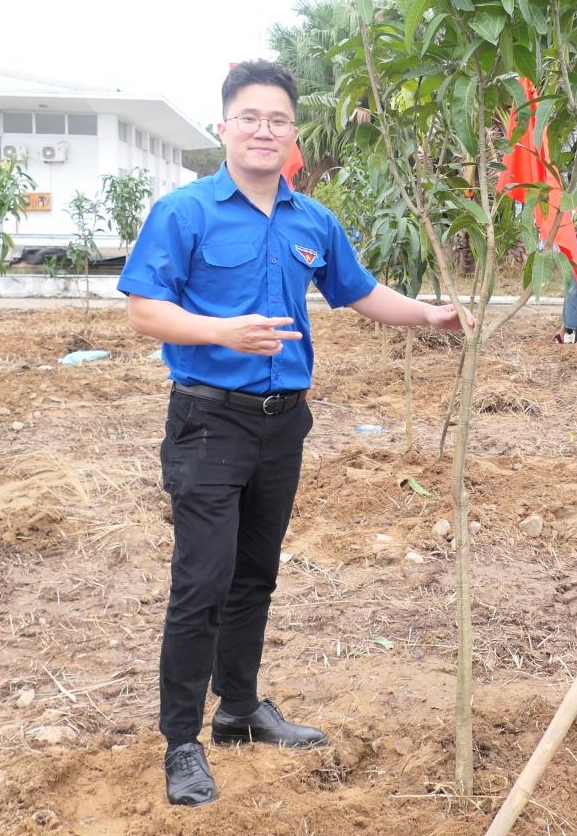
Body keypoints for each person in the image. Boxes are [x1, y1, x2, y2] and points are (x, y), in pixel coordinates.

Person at [118, 60, 466, 808]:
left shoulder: (313, 219)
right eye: (250, 117)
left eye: (278, 119)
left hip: (284, 425)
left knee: (255, 575)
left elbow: (360, 291)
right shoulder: (185, 213)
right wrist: (221, 331)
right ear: (224, 127)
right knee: (200, 583)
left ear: (293, 133)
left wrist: (430, 314)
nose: (264, 130)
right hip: (208, 421)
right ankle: (181, 739)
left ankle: (239, 709)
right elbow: (144, 310)